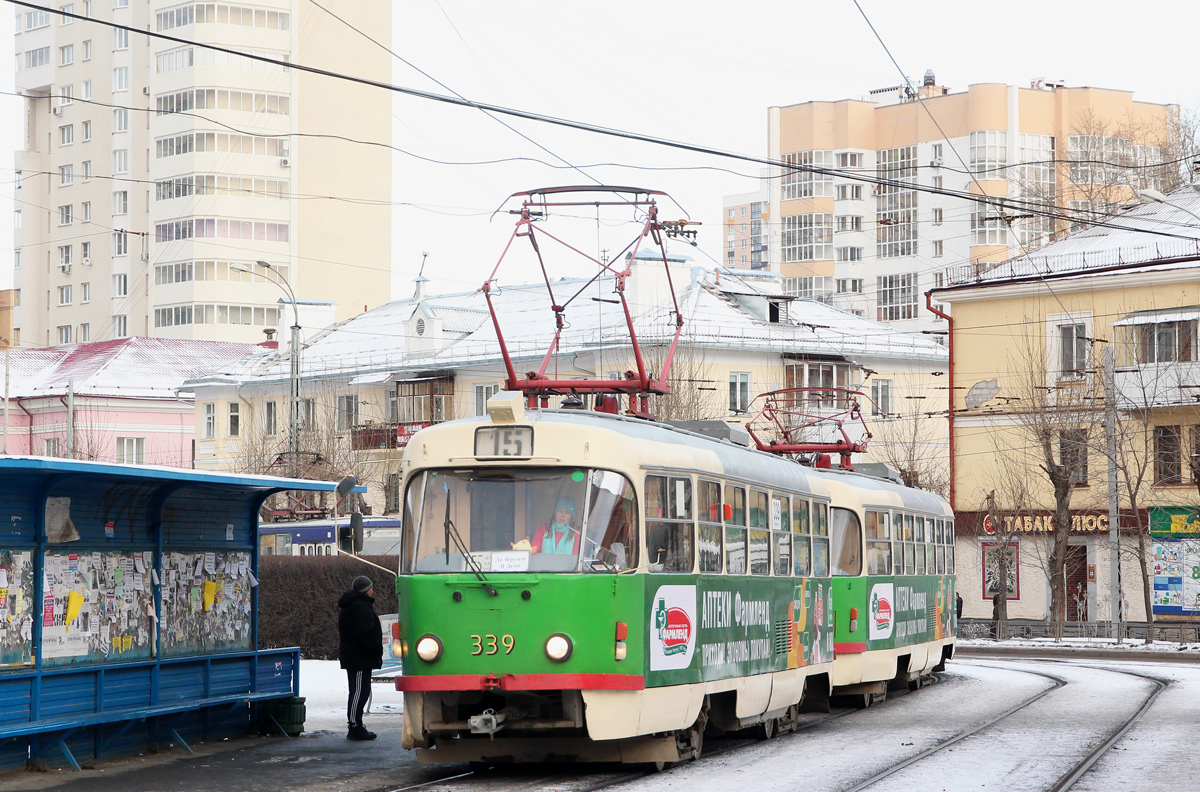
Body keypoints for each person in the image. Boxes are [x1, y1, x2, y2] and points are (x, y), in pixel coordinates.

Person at [338, 575, 383, 741]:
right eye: (370, 587)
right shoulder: (360, 608)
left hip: (357, 656)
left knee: (360, 691)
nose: (373, 590)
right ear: (366, 590)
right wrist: (376, 649)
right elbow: (365, 634)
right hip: (359, 657)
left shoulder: (353, 606)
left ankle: (357, 723)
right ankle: (354, 725)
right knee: (359, 691)